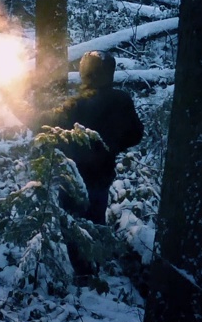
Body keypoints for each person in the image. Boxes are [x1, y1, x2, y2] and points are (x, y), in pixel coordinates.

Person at [29, 50, 143, 225]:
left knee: (73, 231)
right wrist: (111, 146)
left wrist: (18, 107)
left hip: (74, 181)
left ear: (86, 73)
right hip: (102, 179)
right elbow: (136, 135)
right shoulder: (122, 100)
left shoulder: (77, 104)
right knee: (96, 228)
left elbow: (42, 124)